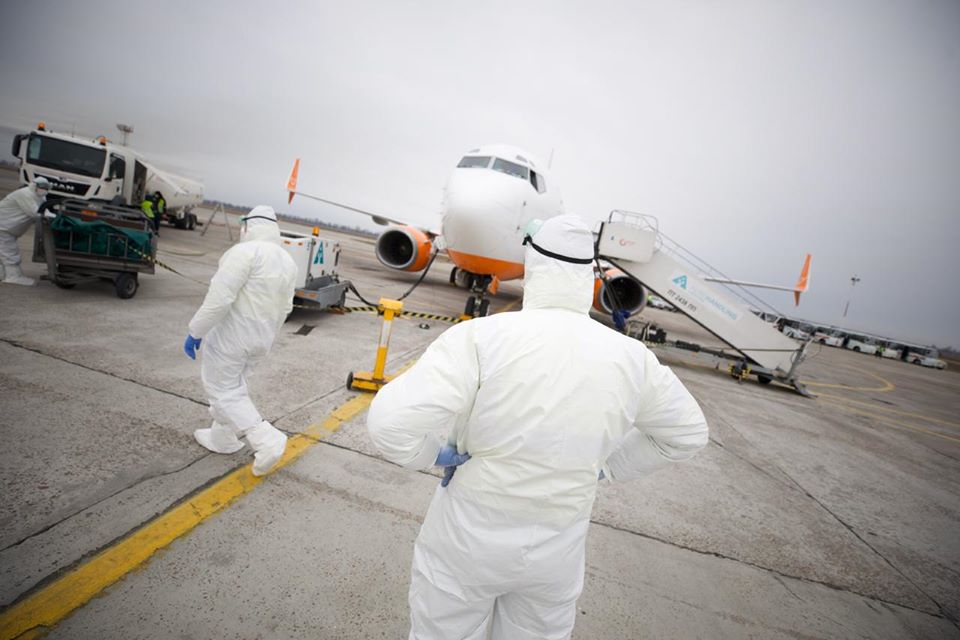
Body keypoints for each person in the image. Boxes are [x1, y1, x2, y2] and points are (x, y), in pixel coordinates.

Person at [368, 215, 709, 640]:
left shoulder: (480, 338)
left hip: (468, 540)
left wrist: (431, 454)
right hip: (556, 554)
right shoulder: (633, 358)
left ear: (535, 264)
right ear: (587, 274)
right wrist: (609, 467)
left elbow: (389, 421)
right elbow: (687, 433)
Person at [183, 205, 298, 476]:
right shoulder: (287, 261)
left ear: (249, 225)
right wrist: (266, 335)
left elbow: (219, 299)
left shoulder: (244, 253)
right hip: (261, 340)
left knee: (222, 389)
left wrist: (196, 330)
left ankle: (266, 439)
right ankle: (222, 437)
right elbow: (286, 308)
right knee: (234, 387)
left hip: (232, 338)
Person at [0, 177, 50, 286]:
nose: (43, 190)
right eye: (41, 187)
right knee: (10, 253)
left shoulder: (41, 197)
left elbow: (44, 210)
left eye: (46, 188)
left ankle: (3, 274)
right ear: (34, 185)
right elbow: (35, 212)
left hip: (6, 229)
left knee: (3, 252)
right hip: (3, 227)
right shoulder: (25, 194)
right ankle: (13, 277)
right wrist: (50, 216)